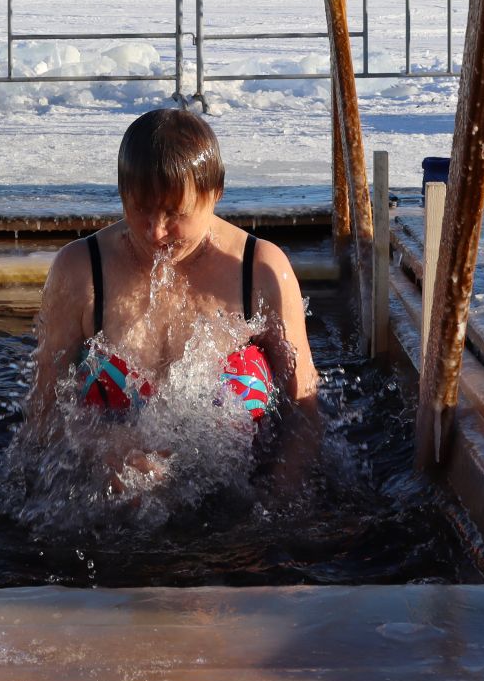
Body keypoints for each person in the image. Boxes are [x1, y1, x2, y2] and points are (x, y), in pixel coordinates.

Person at [26, 107, 321, 495]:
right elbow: (42, 418)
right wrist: (96, 447)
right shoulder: (81, 270)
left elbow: (304, 408)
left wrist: (280, 498)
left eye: (174, 213)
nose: (155, 231)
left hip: (238, 505)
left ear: (214, 195)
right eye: (140, 209)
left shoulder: (260, 270)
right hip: (108, 511)